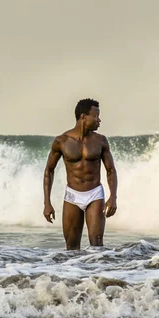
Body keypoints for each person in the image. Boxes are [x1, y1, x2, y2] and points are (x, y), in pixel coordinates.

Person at [43, 98, 118, 250]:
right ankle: (75, 274)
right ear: (84, 117)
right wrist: (47, 203)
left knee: (97, 246)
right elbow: (48, 171)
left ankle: (98, 274)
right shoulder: (62, 141)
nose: (99, 120)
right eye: (96, 116)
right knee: (71, 248)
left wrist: (113, 197)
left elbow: (111, 170)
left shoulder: (101, 141)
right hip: (72, 196)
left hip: (95, 194)